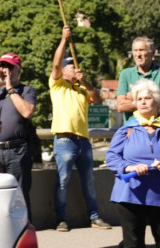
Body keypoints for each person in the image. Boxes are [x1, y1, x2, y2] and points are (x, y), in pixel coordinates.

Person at [106, 79, 160, 248]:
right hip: (130, 195)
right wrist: (129, 167)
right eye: (139, 99)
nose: (143, 102)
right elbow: (111, 158)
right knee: (133, 243)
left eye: (147, 98)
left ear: (157, 101)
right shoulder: (127, 128)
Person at [49, 25, 111, 231]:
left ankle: (94, 216)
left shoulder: (82, 89)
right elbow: (56, 63)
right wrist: (64, 40)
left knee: (89, 181)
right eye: (71, 66)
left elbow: (97, 98)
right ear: (65, 70)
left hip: (83, 140)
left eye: (76, 67)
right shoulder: (57, 85)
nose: (75, 69)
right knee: (63, 181)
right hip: (64, 140)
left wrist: (84, 80)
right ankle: (60, 219)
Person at [0, 52, 37, 220]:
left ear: (18, 70)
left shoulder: (26, 90)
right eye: (2, 66)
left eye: (9, 67)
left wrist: (10, 89)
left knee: (20, 195)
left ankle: (24, 233)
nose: (5, 70)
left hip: (17, 151)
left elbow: (27, 112)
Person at [117, 37, 160, 122]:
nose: (138, 55)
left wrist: (133, 97)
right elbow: (120, 106)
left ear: (153, 53)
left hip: (158, 129)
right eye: (135, 50)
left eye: (141, 50)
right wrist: (153, 100)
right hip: (133, 130)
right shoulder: (126, 74)